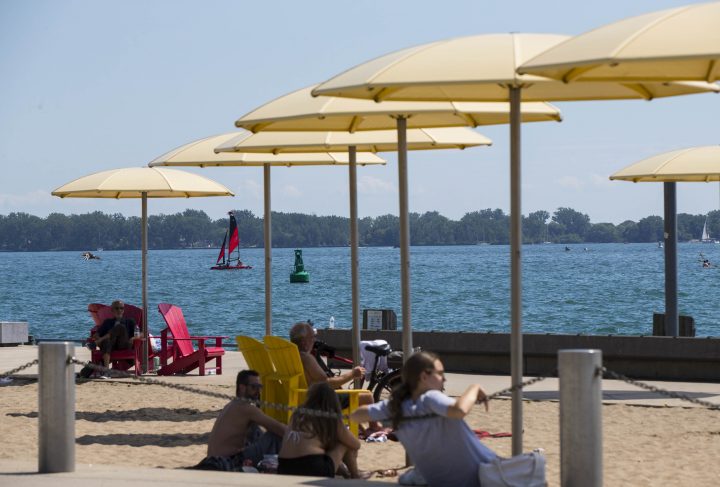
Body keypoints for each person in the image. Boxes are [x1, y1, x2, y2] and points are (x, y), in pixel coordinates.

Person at [350, 351, 498, 487]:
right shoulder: (430, 397)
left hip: (439, 480)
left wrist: (387, 414)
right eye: (440, 373)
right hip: (485, 476)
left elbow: (356, 415)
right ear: (424, 377)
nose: (444, 379)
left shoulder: (395, 406)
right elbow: (459, 410)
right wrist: (474, 387)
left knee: (409, 478)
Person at [289, 322, 381, 432]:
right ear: (304, 342)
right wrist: (352, 374)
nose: (314, 340)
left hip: (300, 397)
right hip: (320, 401)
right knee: (367, 396)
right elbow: (328, 383)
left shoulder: (290, 356)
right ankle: (374, 427)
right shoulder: (306, 358)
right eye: (312, 337)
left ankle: (361, 427)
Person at [197, 370, 287, 471]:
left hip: (213, 459)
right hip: (227, 461)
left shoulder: (231, 405)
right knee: (274, 436)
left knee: (256, 430)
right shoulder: (247, 408)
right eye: (254, 387)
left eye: (260, 387)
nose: (258, 391)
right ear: (242, 387)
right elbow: (280, 429)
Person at [278, 383, 364, 478]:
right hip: (312, 468)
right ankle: (355, 476)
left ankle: (345, 473)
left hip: (284, 467)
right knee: (344, 443)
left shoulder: (297, 414)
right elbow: (356, 444)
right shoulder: (330, 417)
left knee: (323, 447)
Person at [93, 300, 140, 369]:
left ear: (123, 310)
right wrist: (97, 337)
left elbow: (141, 333)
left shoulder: (129, 321)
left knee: (120, 327)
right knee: (106, 342)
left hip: (124, 345)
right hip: (110, 346)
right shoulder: (107, 322)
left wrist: (133, 338)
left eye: (121, 308)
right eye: (117, 308)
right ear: (112, 310)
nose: (119, 310)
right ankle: (106, 371)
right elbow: (96, 334)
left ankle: (97, 342)